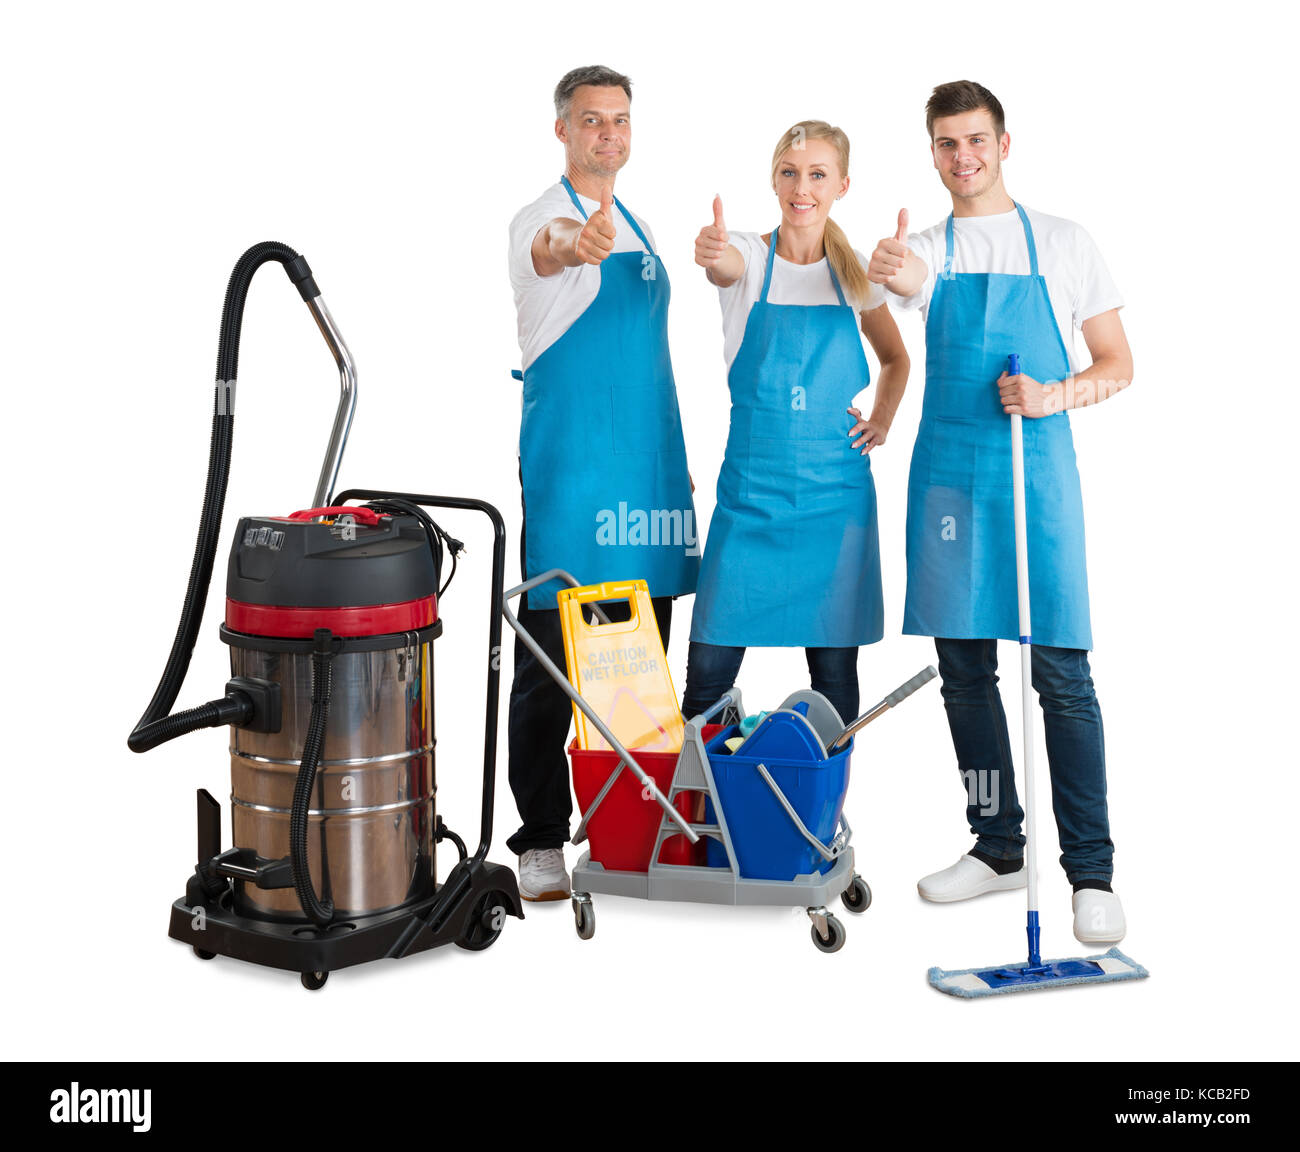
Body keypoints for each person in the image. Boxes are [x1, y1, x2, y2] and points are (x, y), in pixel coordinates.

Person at [868, 80, 1134, 943]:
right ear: (933, 152)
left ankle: (1090, 871)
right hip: (950, 478)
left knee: (1061, 675)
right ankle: (996, 845)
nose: (963, 158)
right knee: (966, 676)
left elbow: (1118, 363)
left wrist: (1056, 394)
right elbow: (909, 283)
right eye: (947, 144)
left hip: (1038, 476)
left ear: (1005, 143)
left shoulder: (1063, 241)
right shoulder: (928, 246)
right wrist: (898, 271)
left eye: (976, 140)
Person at [506, 66, 698, 901]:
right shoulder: (539, 222)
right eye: (591, 122)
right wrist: (575, 244)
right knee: (550, 669)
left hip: (648, 475)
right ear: (563, 130)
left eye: (620, 121)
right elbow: (552, 253)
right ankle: (542, 838)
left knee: (637, 672)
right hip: (575, 478)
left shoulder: (647, 229)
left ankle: (630, 827)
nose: (608, 136)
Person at [683, 121, 909, 726]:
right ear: (773, 180)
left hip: (835, 502)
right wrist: (713, 253)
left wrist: (881, 420)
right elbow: (724, 266)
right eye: (789, 173)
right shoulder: (751, 258)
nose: (801, 187)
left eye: (816, 175)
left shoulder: (857, 272)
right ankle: (698, 817)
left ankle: (813, 811)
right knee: (708, 676)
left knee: (833, 677)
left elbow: (896, 358)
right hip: (751, 497)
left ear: (841, 185)